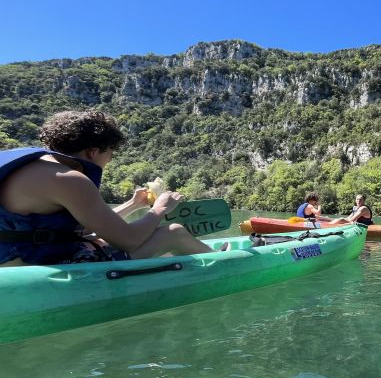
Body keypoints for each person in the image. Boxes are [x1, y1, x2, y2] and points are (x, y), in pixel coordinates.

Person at [0, 110, 226, 267]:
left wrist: (133, 204)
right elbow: (128, 240)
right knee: (173, 231)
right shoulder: (70, 179)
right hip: (31, 266)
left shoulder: (32, 168)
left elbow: (86, 229)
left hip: (14, 258)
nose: (109, 160)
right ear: (93, 151)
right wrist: (159, 209)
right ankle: (224, 263)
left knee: (100, 241)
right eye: (111, 154)